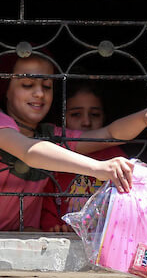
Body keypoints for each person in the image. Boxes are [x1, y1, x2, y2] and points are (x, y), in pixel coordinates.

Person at [0, 52, 147, 232]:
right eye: (27, 85)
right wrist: (98, 168)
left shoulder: (52, 135)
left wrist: (144, 116)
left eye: (47, 86)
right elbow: (30, 151)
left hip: (19, 247)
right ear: (6, 91)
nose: (39, 93)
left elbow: (108, 133)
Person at [39, 83, 127, 231]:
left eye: (94, 115)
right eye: (76, 114)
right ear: (61, 118)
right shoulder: (54, 154)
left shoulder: (116, 156)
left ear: (104, 116)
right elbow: (45, 203)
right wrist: (54, 227)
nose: (86, 122)